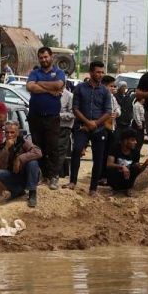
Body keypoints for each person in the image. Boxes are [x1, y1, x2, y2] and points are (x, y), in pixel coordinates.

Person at [66, 61, 111, 196]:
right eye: (98, 72)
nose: (100, 74)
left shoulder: (105, 91)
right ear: (91, 72)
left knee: (98, 158)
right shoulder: (80, 88)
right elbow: (75, 108)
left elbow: (108, 111)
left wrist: (95, 123)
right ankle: (72, 181)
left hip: (99, 129)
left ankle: (93, 189)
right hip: (82, 127)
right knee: (77, 150)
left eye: (102, 72)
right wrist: (87, 123)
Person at [26, 46, 66, 190]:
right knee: (38, 147)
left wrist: (40, 85)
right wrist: (51, 90)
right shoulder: (35, 72)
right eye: (41, 57)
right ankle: (44, 175)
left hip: (52, 117)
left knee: (53, 147)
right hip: (35, 117)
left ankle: (54, 176)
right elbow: (30, 87)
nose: (44, 60)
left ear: (51, 57)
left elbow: (59, 84)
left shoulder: (59, 72)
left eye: (46, 57)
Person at [0, 121, 42, 208]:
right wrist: (6, 149)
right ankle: (17, 192)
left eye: (12, 132)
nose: (9, 135)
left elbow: (38, 152)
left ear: (17, 132)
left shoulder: (24, 142)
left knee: (33, 162)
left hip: (27, 174)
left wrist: (20, 158)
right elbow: (0, 165)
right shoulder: (3, 146)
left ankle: (32, 193)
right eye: (7, 132)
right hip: (15, 174)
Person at [105, 129, 148, 197]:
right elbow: (109, 164)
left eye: (135, 140)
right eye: (132, 140)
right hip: (115, 177)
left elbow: (138, 170)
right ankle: (114, 188)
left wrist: (146, 163)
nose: (135, 142)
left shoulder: (136, 151)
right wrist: (122, 167)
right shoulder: (115, 148)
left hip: (127, 178)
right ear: (125, 141)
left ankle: (128, 188)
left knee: (135, 167)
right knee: (111, 168)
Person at [58, 84, 75, 179]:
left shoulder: (69, 96)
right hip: (52, 128)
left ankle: (58, 174)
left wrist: (59, 115)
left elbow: (73, 114)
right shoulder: (51, 94)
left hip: (64, 127)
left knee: (61, 152)